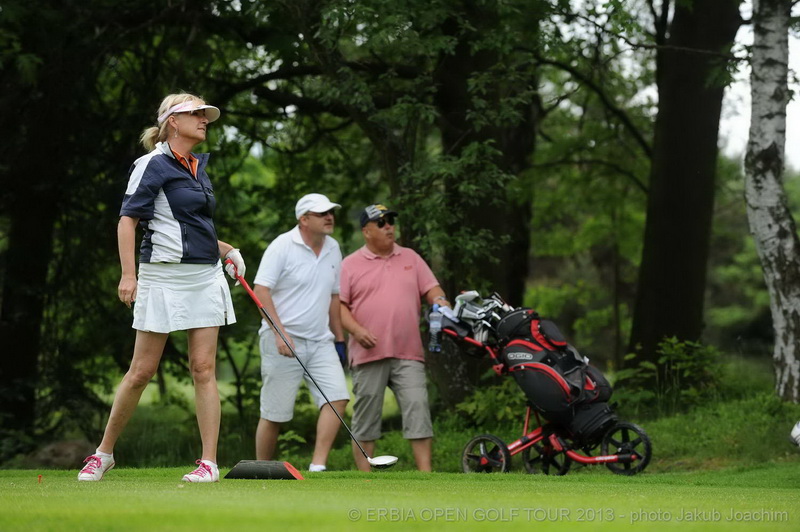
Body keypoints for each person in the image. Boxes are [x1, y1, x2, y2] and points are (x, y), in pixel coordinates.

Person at [77, 93, 246, 483]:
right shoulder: (151, 164)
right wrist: (128, 275)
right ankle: (103, 454)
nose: (204, 120)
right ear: (173, 121)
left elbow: (193, 228)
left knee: (203, 368)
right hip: (162, 277)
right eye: (195, 114)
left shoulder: (197, 167)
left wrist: (228, 250)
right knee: (141, 371)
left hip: (203, 276)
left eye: (205, 115)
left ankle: (208, 463)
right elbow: (128, 220)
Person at [340, 204, 450, 472]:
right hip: (368, 353)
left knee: (418, 409)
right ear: (366, 231)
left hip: (408, 351)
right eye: (381, 223)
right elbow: (338, 307)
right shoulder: (350, 264)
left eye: (390, 221)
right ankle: (365, 477)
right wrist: (357, 330)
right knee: (366, 419)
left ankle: (426, 476)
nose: (389, 226)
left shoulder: (411, 257)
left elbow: (433, 290)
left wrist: (441, 302)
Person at [253, 193, 349, 472]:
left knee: (337, 398)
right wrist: (279, 333)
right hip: (282, 340)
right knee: (275, 413)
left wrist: (340, 339)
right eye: (322, 214)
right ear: (304, 219)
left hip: (321, 341)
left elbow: (334, 296)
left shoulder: (333, 247)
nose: (329, 217)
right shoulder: (282, 246)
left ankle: (317, 466)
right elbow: (260, 291)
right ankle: (261, 469)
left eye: (331, 212)